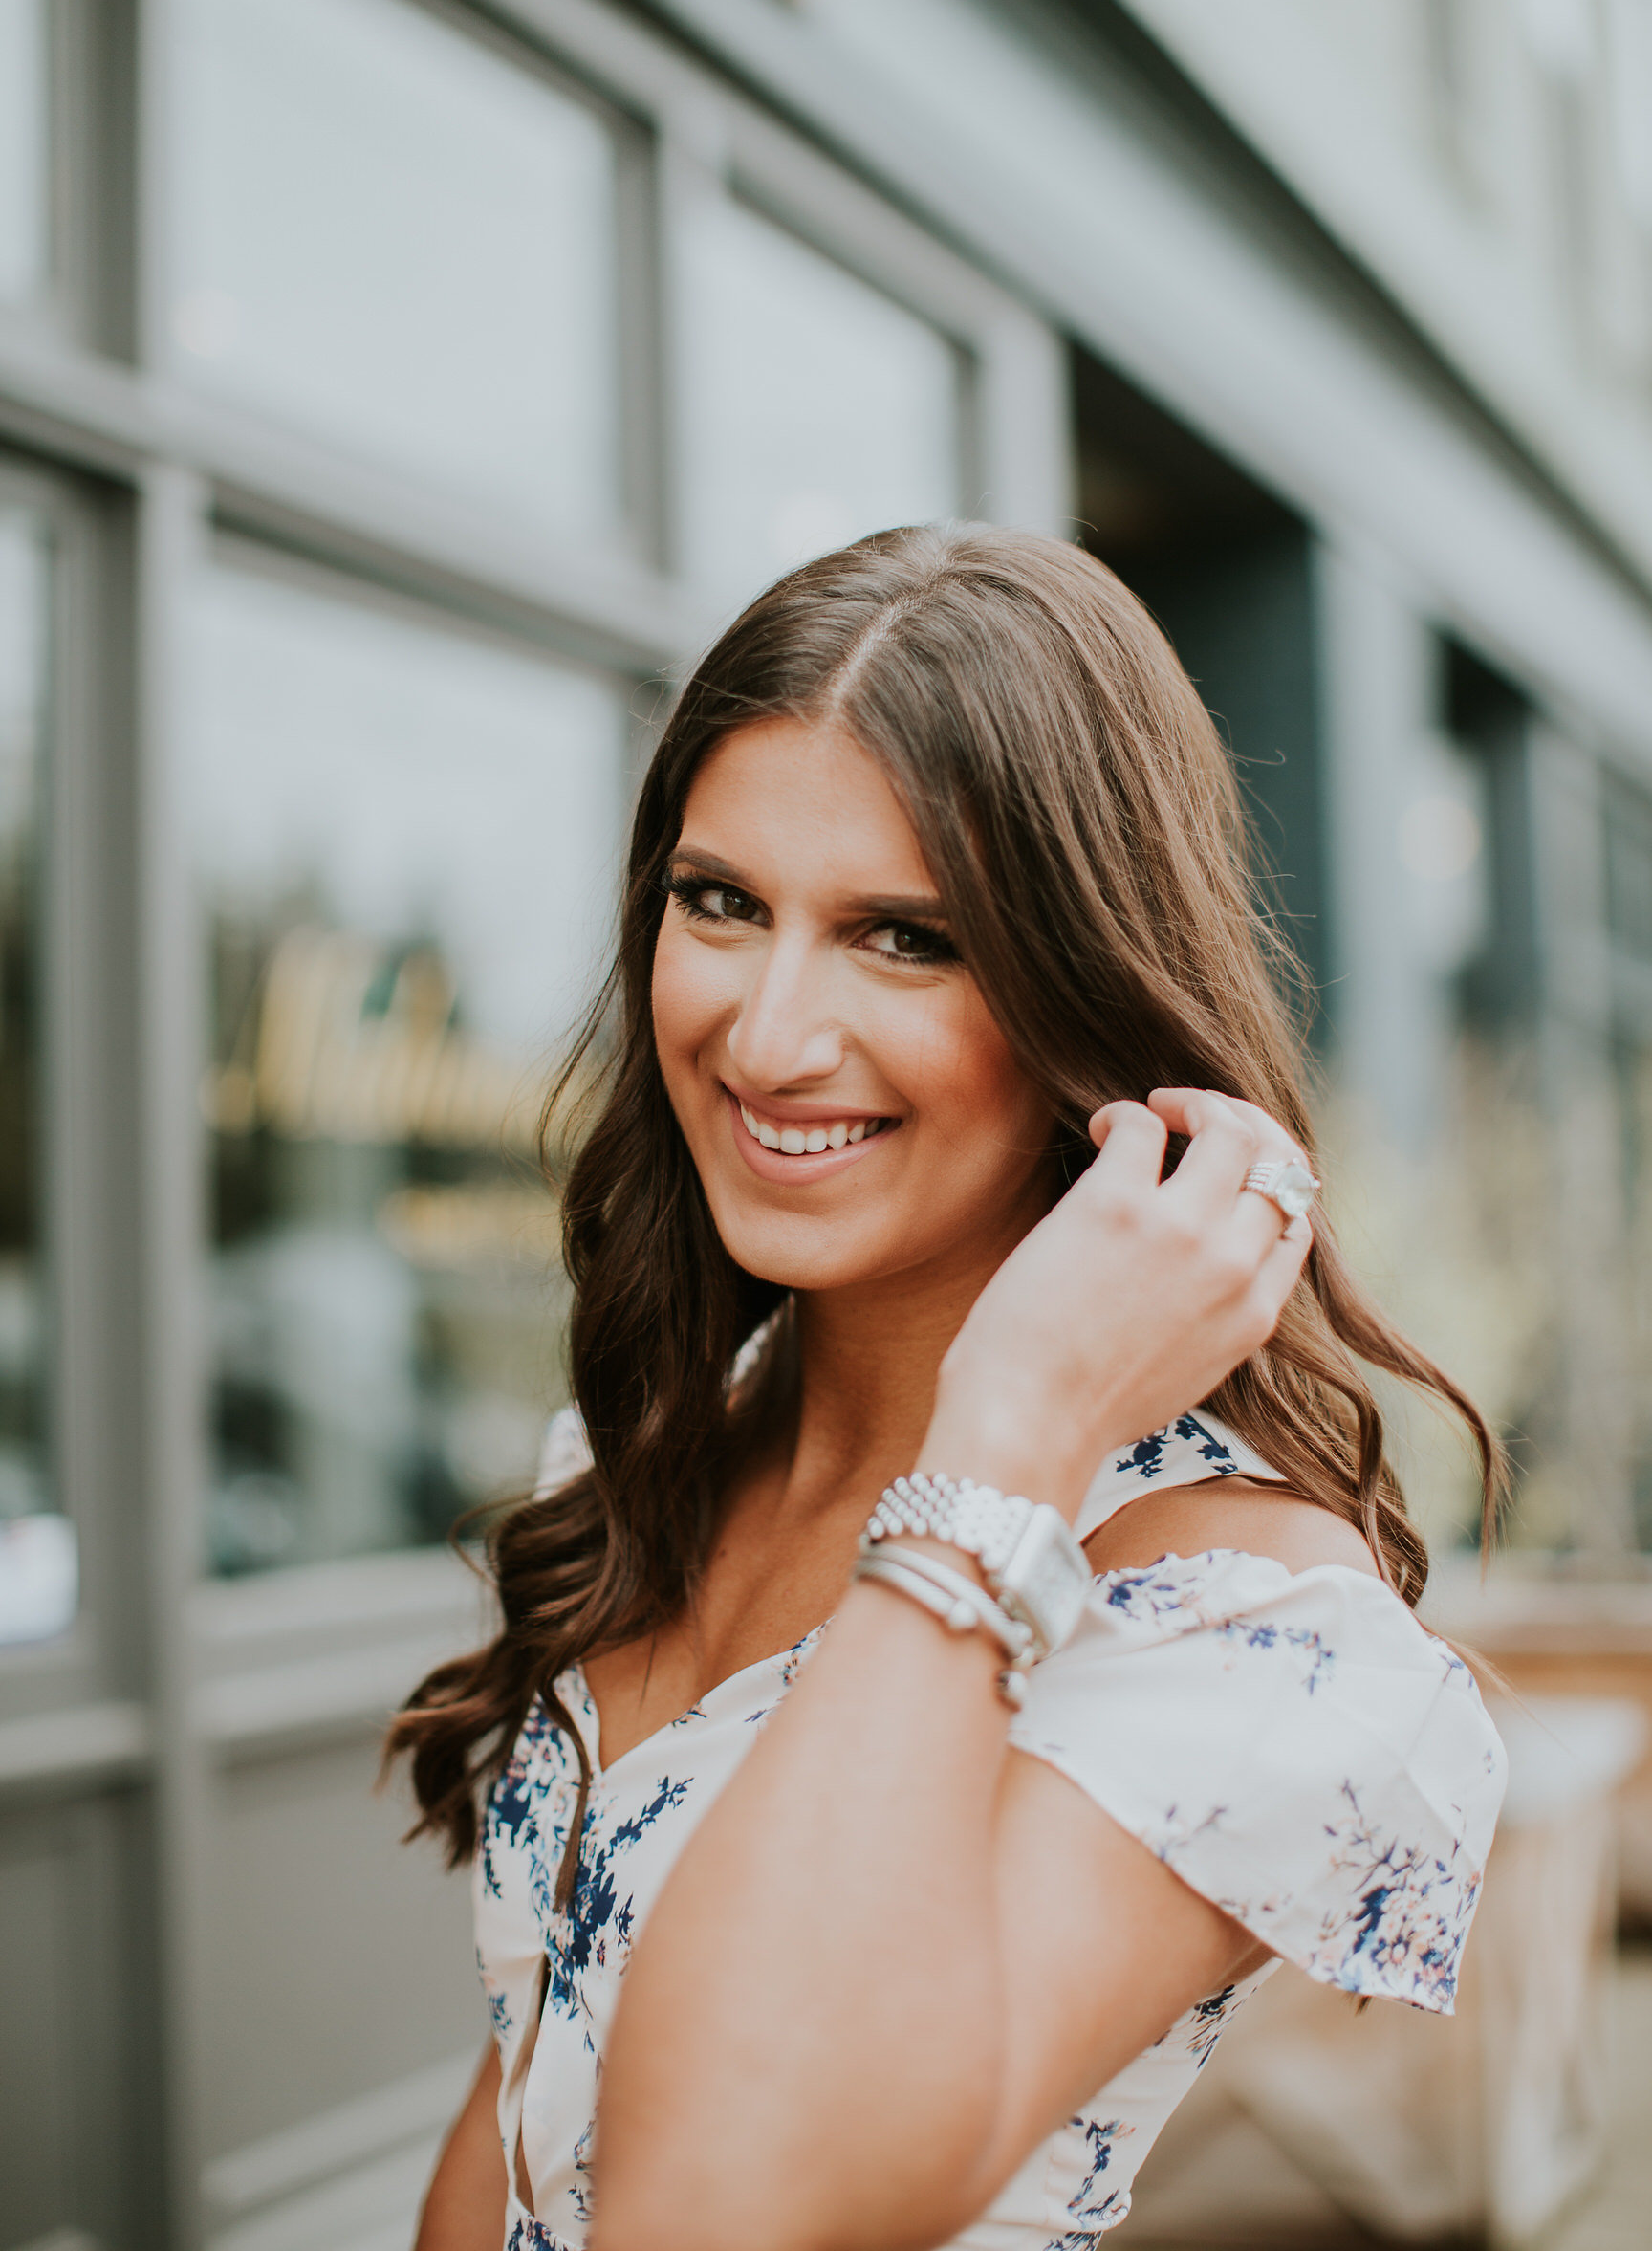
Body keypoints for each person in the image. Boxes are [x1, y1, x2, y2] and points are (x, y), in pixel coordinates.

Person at [390, 525, 1507, 2251]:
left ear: (1088, 993)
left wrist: (1008, 1443)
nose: (766, 1035)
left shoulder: (1240, 1628)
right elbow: (513, 2099)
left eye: (903, 937)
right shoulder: (668, 1447)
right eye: (721, 902)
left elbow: (723, 2207)